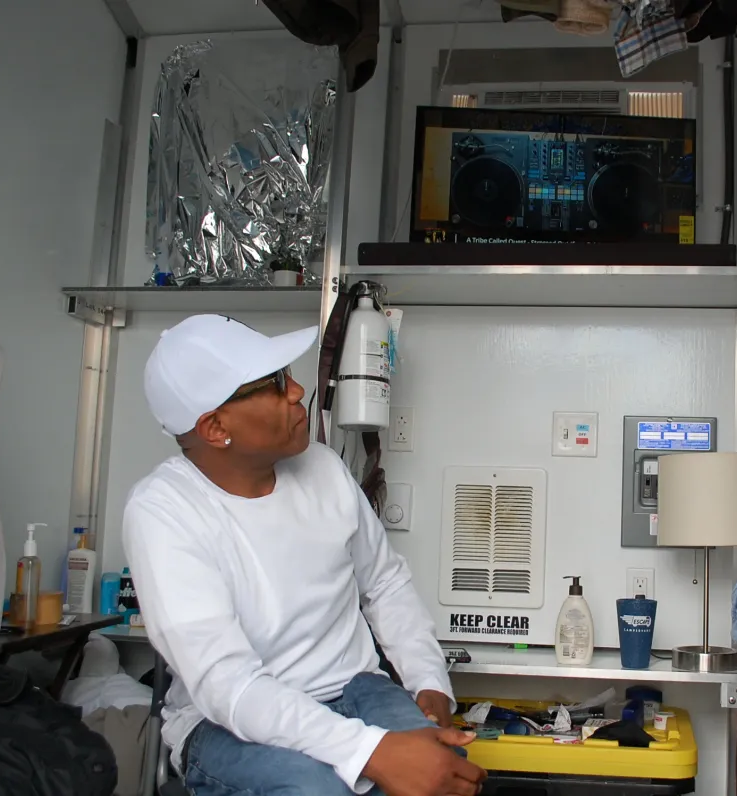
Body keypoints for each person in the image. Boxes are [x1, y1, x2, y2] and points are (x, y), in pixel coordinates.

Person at [123, 314, 486, 796]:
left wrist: (428, 680)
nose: (296, 391)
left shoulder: (323, 467)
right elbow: (228, 686)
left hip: (356, 688)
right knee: (318, 790)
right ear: (214, 427)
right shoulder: (163, 512)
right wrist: (371, 753)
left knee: (443, 775)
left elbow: (384, 583)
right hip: (227, 722)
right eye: (273, 384)